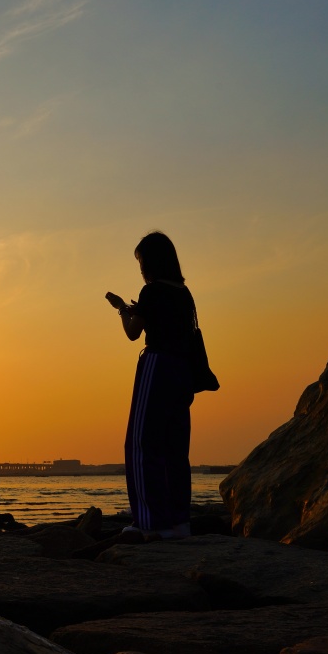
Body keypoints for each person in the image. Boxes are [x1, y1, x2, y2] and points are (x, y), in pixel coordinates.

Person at [105, 231, 197, 540]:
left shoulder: (152, 291)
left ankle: (151, 522)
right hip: (183, 370)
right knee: (175, 448)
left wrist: (122, 309)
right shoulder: (184, 293)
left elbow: (133, 333)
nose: (141, 269)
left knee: (141, 444)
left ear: (152, 262)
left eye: (142, 262)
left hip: (157, 366)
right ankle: (179, 522)